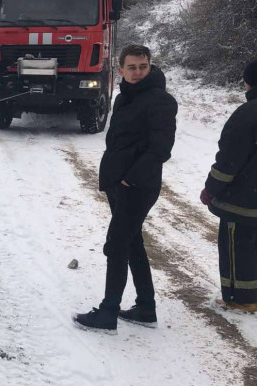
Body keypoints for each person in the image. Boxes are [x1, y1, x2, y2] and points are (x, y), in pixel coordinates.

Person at [74, 44, 178, 334]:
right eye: (131, 67)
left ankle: (107, 314)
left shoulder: (160, 100)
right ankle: (146, 307)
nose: (137, 72)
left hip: (138, 186)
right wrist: (113, 178)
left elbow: (160, 148)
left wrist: (130, 179)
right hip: (118, 183)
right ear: (121, 69)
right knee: (132, 243)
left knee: (117, 245)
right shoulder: (123, 97)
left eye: (142, 66)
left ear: (150, 66)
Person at [200, 58, 257, 313]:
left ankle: (241, 299)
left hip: (243, 201)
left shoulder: (246, 115)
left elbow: (228, 161)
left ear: (248, 83)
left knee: (238, 250)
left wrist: (211, 189)